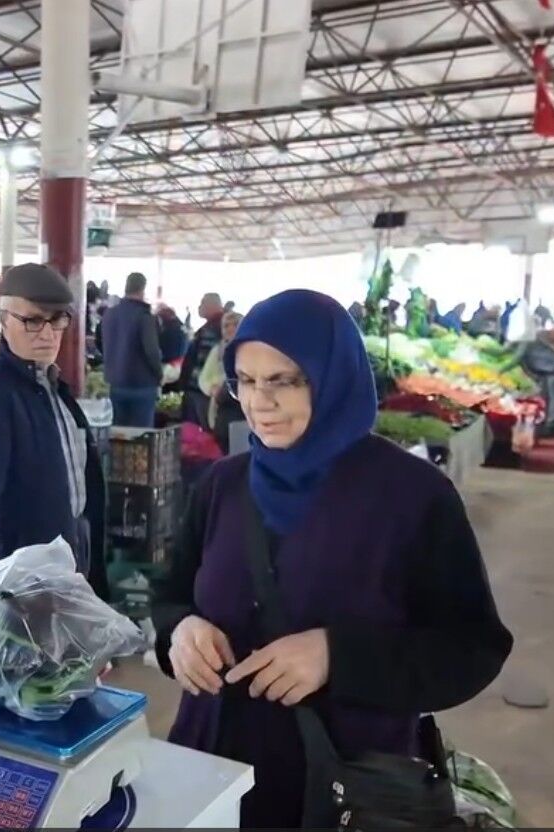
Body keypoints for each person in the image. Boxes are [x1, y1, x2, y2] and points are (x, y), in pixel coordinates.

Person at [154, 290, 510, 829]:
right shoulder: (223, 485)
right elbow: (171, 594)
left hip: (340, 790)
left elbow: (471, 651)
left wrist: (336, 656)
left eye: (283, 380)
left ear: (332, 376)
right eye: (246, 380)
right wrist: (179, 632)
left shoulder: (412, 497)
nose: (258, 402)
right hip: (209, 772)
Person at [0, 263, 107, 596]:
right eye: (33, 321)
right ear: (4, 320)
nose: (48, 334)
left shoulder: (55, 391)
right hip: (23, 584)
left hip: (72, 565)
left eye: (57, 319)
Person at [99, 272, 163, 428]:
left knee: (118, 435)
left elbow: (100, 342)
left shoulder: (109, 314)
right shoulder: (144, 316)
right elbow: (151, 351)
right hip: (142, 384)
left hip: (115, 383)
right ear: (143, 289)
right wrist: (159, 374)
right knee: (140, 439)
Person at [196, 311, 245, 452]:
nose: (230, 329)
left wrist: (224, 387)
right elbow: (204, 378)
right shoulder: (218, 350)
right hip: (220, 410)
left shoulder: (250, 351)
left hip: (240, 410)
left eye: (235, 324)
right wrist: (212, 388)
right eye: (226, 326)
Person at [179, 292, 225, 430]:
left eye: (202, 303)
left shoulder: (218, 328)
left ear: (213, 305)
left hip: (204, 392)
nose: (200, 307)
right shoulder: (207, 328)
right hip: (196, 389)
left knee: (202, 431)